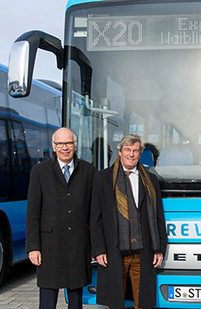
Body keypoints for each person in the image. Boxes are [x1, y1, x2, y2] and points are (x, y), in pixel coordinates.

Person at [90, 134, 167, 309]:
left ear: (140, 153)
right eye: (127, 150)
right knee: (115, 302)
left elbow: (158, 217)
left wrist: (159, 248)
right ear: (120, 152)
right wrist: (99, 249)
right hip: (114, 251)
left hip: (143, 252)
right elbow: (95, 217)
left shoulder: (151, 180)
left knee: (143, 302)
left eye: (135, 151)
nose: (131, 155)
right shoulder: (102, 178)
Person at [26, 127, 96, 309]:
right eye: (60, 144)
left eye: (69, 143)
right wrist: (33, 247)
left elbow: (94, 212)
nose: (65, 147)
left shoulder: (89, 171)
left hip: (79, 244)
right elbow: (33, 212)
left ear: (75, 145)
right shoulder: (40, 172)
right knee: (48, 299)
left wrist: (94, 246)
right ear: (53, 146)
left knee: (76, 298)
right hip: (50, 245)